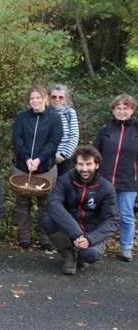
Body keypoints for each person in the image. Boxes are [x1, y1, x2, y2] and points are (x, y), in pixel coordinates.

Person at [43, 145, 119, 274]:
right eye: (80, 164)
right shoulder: (65, 180)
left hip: (92, 230)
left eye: (88, 164)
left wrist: (90, 239)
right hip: (70, 228)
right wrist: (77, 234)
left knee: (90, 255)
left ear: (97, 165)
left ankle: (83, 255)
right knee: (47, 220)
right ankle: (69, 256)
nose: (84, 169)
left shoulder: (107, 188)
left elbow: (112, 220)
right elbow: (53, 203)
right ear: (75, 165)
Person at [12, 84, 63, 250]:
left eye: (38, 98)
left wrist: (40, 159)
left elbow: (54, 142)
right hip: (22, 165)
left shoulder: (54, 118)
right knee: (22, 203)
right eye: (32, 98)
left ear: (45, 99)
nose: (35, 101)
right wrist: (27, 158)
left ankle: (45, 238)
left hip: (45, 168)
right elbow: (17, 139)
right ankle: (24, 237)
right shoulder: (21, 118)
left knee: (45, 204)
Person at [93, 94, 138, 262]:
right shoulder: (106, 129)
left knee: (126, 215)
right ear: (113, 110)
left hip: (128, 181)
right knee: (102, 213)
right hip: (104, 179)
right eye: (118, 108)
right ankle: (98, 244)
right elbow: (95, 152)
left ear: (132, 110)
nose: (122, 111)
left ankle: (126, 248)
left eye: (125, 108)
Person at [47, 84, 79, 176]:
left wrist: (63, 154)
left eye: (61, 97)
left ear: (65, 99)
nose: (57, 100)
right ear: (49, 98)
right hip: (46, 158)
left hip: (65, 158)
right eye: (54, 97)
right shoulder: (44, 113)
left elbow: (74, 136)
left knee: (63, 187)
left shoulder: (70, 113)